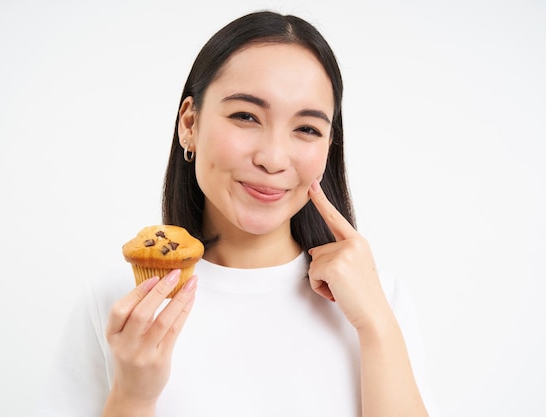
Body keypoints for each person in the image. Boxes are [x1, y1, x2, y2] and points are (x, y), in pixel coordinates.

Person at [34, 10, 438, 417]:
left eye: (307, 129)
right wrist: (133, 397)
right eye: (246, 116)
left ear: (329, 146)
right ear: (189, 123)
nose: (274, 158)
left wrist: (377, 328)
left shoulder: (379, 301)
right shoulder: (118, 304)